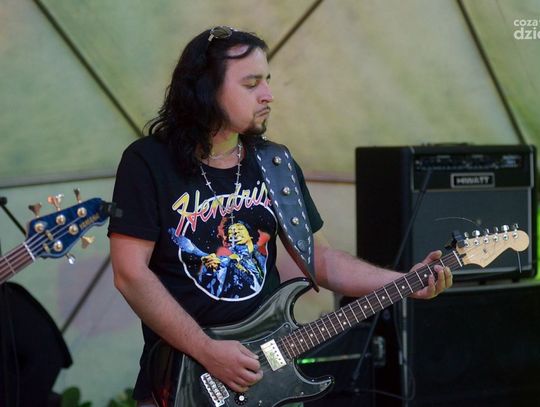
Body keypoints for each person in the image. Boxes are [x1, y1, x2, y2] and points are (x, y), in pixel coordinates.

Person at [108, 26, 453, 406]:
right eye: (251, 83)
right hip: (182, 380)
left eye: (267, 80)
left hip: (270, 379)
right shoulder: (148, 161)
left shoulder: (275, 163)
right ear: (205, 89)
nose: (268, 94)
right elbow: (130, 275)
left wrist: (405, 281)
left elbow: (320, 260)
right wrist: (206, 349)